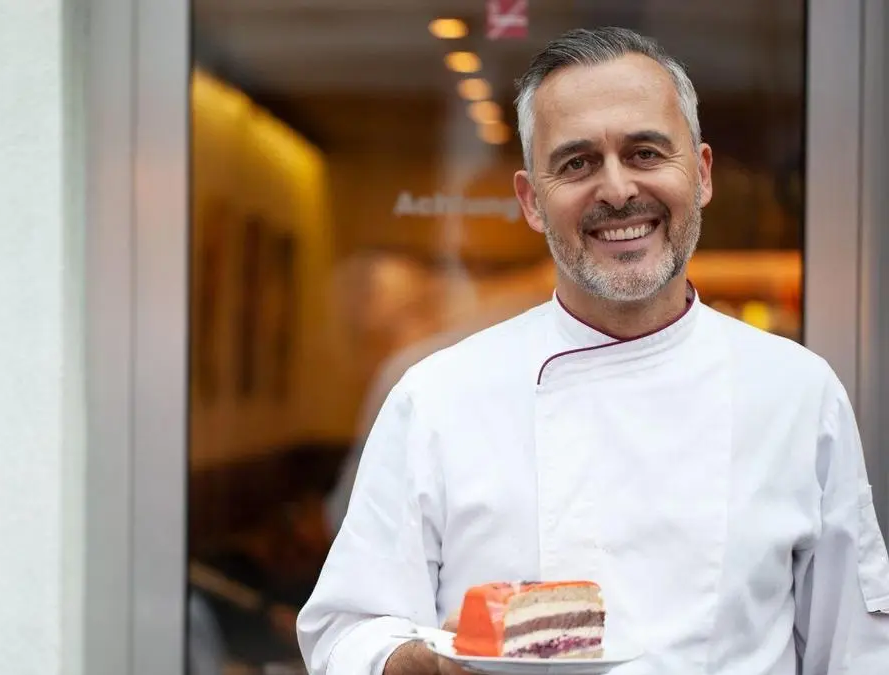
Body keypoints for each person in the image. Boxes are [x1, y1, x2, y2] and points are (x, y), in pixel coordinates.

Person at [295, 26, 889, 675]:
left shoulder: (798, 392)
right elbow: (345, 633)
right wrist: (425, 664)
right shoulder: (437, 396)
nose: (616, 189)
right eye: (577, 163)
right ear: (531, 201)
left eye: (645, 152)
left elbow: (857, 653)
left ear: (702, 174)